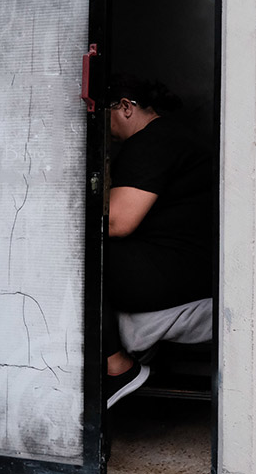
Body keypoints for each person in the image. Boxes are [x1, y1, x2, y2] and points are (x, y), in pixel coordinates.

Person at [103, 74, 213, 408]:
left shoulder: (151, 142)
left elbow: (118, 222)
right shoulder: (175, 136)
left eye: (105, 114)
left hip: (175, 270)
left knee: (77, 255)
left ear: (125, 107)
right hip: (194, 265)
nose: (104, 127)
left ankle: (117, 367)